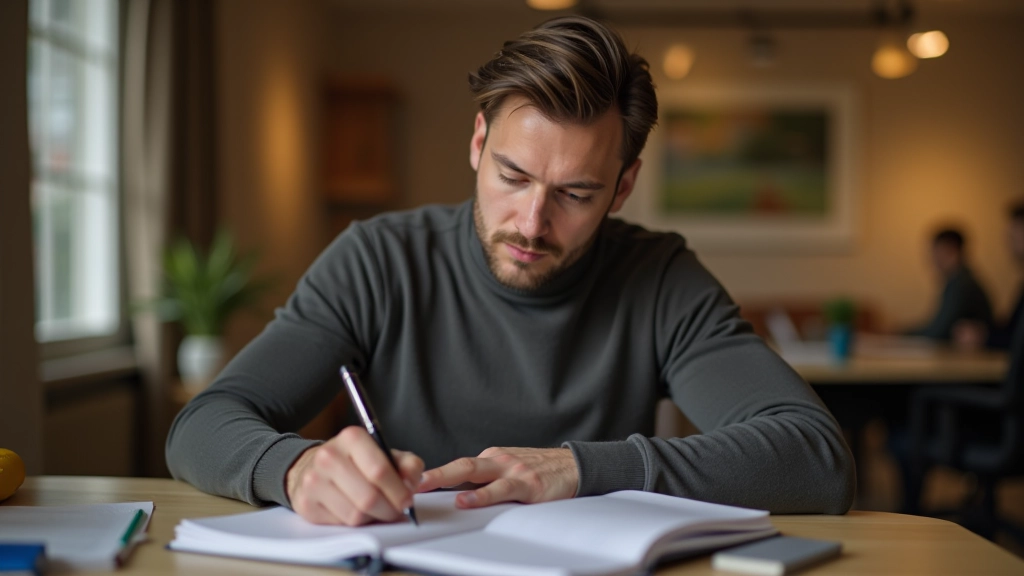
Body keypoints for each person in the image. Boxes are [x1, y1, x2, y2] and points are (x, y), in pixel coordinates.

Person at [166, 16, 855, 526]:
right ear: (477, 142)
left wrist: (582, 467)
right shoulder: (377, 259)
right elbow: (205, 423)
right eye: (513, 176)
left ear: (622, 188)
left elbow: (816, 458)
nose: (531, 222)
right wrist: (293, 467)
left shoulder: (660, 279)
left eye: (576, 194)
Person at [953, 202, 1024, 350]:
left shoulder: (963, 283)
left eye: (1013, 234)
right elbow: (1012, 330)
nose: (1008, 241)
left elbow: (1015, 336)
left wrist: (983, 336)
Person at [905, 228, 993, 342]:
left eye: (935, 251)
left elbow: (938, 331)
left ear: (951, 250)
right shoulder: (960, 280)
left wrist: (897, 333)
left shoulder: (961, 285)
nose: (932, 259)